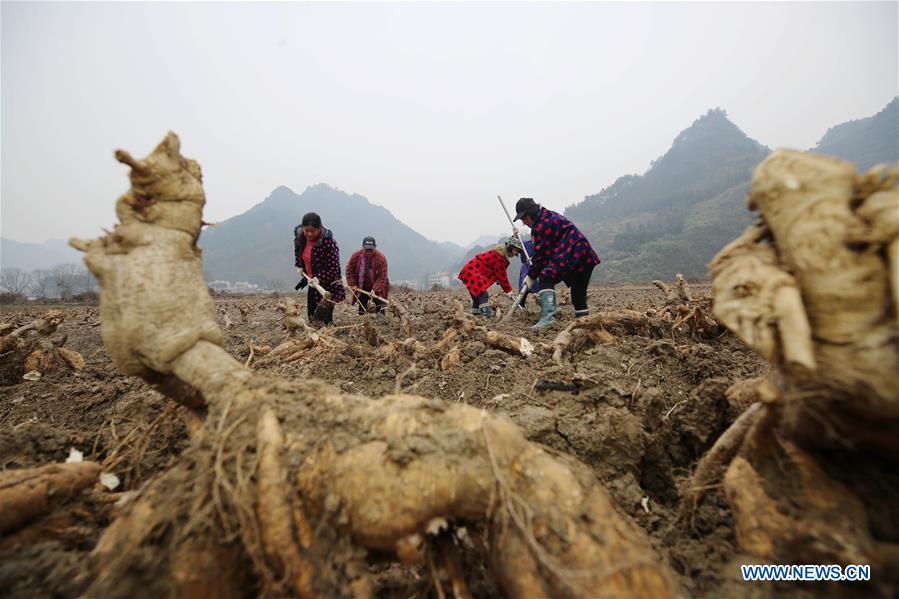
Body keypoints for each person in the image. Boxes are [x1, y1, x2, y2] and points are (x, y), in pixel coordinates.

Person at [513, 197, 600, 328]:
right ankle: (585, 324)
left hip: (572, 254)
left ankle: (548, 319)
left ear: (531, 213)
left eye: (524, 218)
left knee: (546, 276)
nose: (524, 223)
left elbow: (542, 257)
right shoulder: (548, 216)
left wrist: (531, 276)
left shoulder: (541, 224)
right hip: (585, 256)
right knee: (578, 297)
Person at [293, 212, 345, 324]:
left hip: (327, 284)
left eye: (313, 231)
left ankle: (326, 336)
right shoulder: (300, 238)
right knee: (312, 315)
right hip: (312, 281)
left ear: (320, 228)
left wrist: (319, 278)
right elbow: (299, 252)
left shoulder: (328, 243)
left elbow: (334, 267)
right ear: (303, 228)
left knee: (324, 317)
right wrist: (300, 266)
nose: (309, 234)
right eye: (307, 230)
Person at [457, 236, 522, 317]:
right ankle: (487, 314)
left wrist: (498, 279)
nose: (514, 255)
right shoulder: (500, 257)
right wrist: (509, 291)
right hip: (472, 273)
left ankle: (476, 313)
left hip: (468, 271)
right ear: (513, 250)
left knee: (477, 296)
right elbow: (502, 276)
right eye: (515, 252)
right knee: (483, 295)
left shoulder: (497, 253)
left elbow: (493, 270)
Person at [346, 236, 390, 314]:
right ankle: (362, 319)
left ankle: (381, 320)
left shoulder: (381, 259)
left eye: (371, 249)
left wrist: (374, 290)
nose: (369, 252)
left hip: (378, 285)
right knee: (362, 306)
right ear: (363, 247)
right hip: (362, 285)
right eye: (367, 249)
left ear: (375, 247)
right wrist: (353, 284)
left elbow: (382, 277)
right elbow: (349, 270)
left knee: (380, 306)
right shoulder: (356, 256)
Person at [517, 238, 541, 307]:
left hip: (536, 267)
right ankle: (520, 305)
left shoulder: (538, 244)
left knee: (540, 288)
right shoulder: (525, 244)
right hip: (527, 268)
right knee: (524, 288)